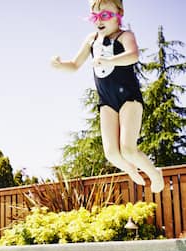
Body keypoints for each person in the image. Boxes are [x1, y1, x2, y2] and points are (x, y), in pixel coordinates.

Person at [51, 0, 164, 193]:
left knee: (128, 148)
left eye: (105, 15)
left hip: (129, 97)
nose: (99, 20)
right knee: (112, 153)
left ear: (120, 12)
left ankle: (155, 174)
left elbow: (133, 55)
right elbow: (75, 65)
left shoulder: (124, 35)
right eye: (94, 16)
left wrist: (110, 59)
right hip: (107, 101)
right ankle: (131, 170)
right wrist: (61, 65)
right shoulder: (91, 39)